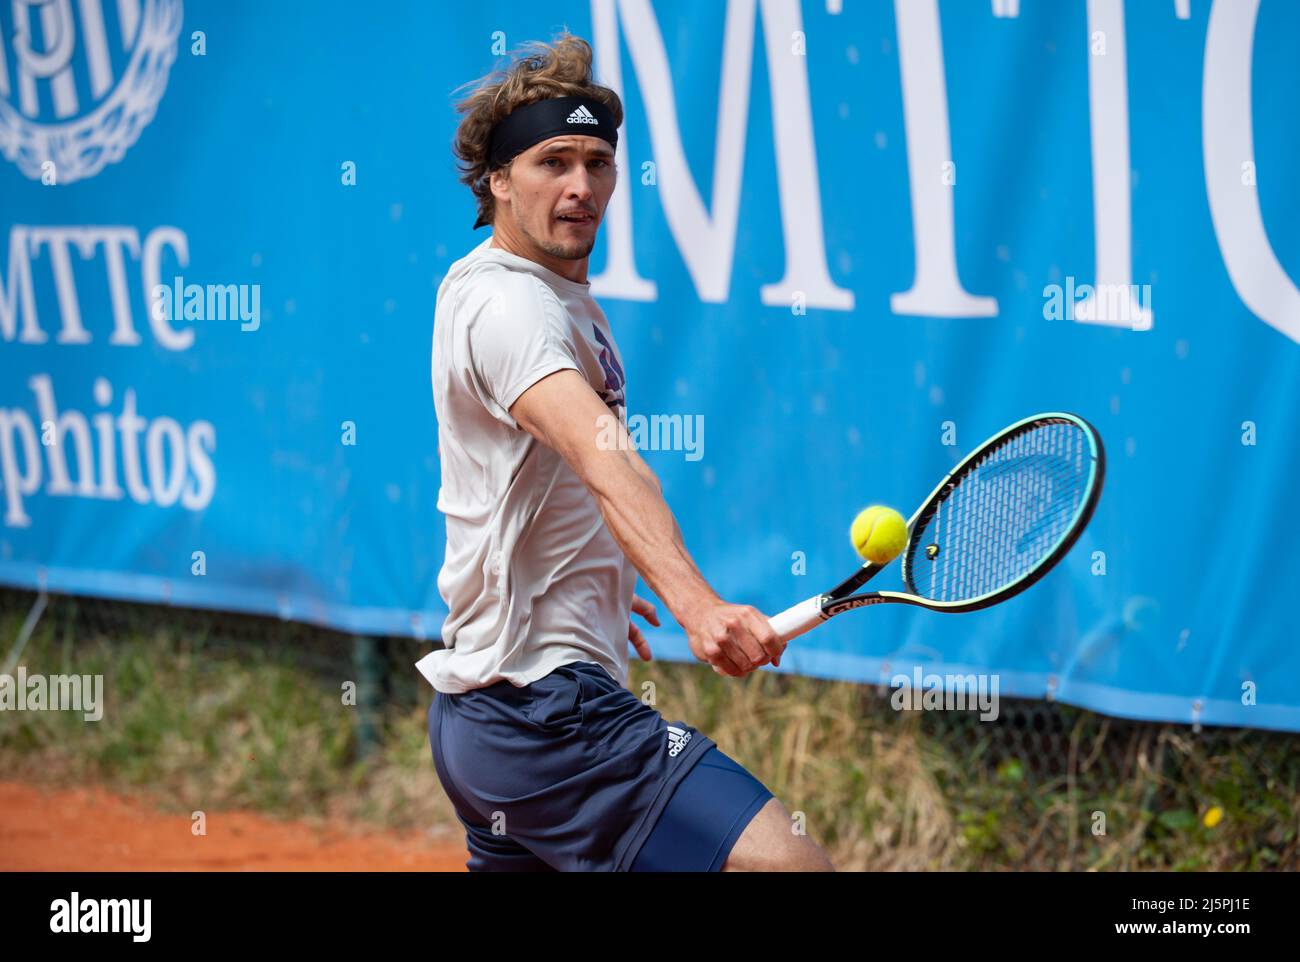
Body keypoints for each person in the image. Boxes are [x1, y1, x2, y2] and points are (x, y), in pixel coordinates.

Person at [417, 31, 833, 872]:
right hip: (549, 718)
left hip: (486, 725)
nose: (580, 186)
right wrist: (698, 606)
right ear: (497, 180)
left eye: (597, 162)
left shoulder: (551, 300)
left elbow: (554, 476)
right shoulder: (511, 308)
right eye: (551, 161)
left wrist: (599, 573)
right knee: (791, 867)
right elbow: (603, 455)